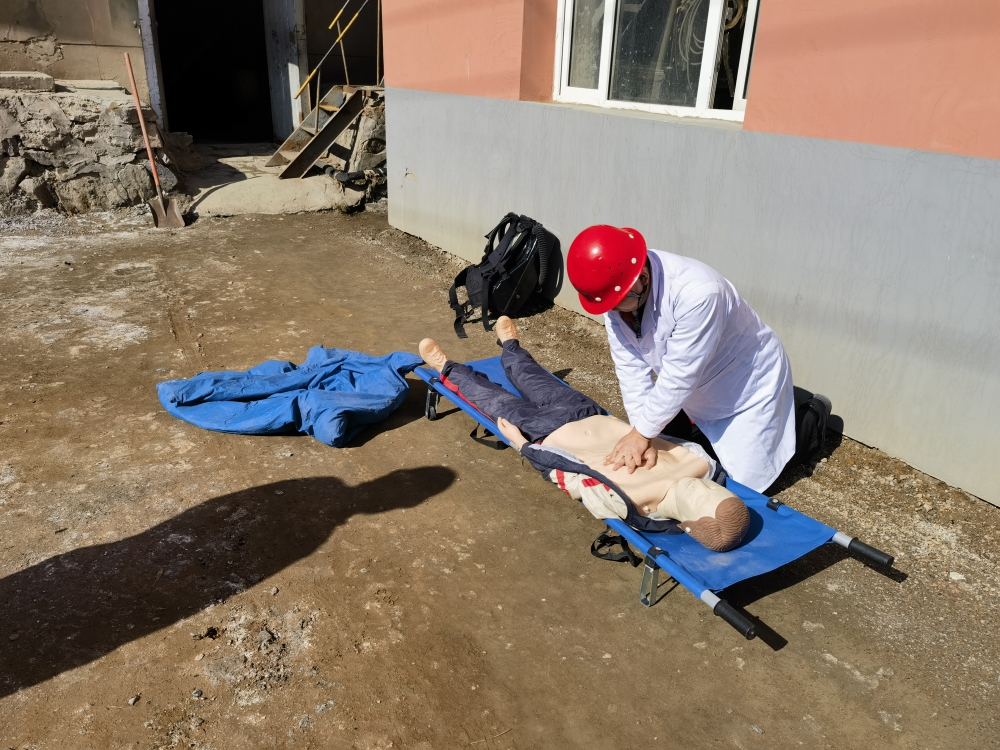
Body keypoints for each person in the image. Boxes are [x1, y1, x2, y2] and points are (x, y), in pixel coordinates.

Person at [419, 317, 750, 552]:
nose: (703, 488)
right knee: (531, 374)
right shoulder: (704, 464)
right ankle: (510, 345)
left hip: (541, 432)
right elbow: (666, 435)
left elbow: (570, 478)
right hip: (585, 412)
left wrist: (523, 446)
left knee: (487, 397)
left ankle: (446, 367)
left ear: (688, 520)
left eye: (701, 499)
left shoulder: (631, 504)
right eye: (711, 492)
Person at [566, 225, 830, 493]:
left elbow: (680, 374)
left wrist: (641, 434)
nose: (613, 313)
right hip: (698, 385)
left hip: (745, 385)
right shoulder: (616, 290)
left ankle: (811, 417)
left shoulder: (698, 292)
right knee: (675, 455)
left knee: (747, 486)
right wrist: (640, 432)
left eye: (616, 306)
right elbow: (630, 368)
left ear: (642, 278)